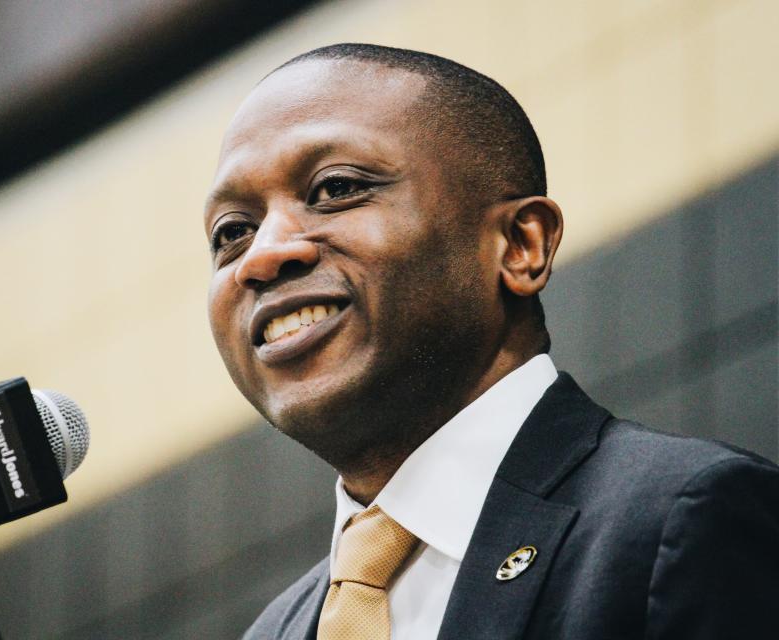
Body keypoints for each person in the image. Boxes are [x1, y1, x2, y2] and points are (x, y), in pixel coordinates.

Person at [203, 43, 779, 639]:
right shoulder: (274, 631)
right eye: (232, 232)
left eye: (336, 188)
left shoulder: (682, 520)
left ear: (520, 245)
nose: (263, 255)